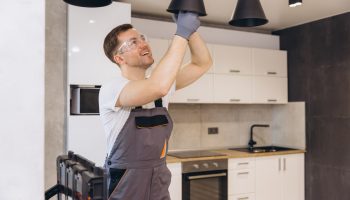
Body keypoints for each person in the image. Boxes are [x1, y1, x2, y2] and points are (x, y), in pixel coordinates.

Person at [99, 11, 212, 200]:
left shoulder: (162, 85)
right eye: (133, 42)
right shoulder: (112, 89)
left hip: (158, 178)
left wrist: (192, 32)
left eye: (142, 38)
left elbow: (202, 63)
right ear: (119, 59)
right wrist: (181, 33)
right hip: (125, 182)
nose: (143, 44)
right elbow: (157, 87)